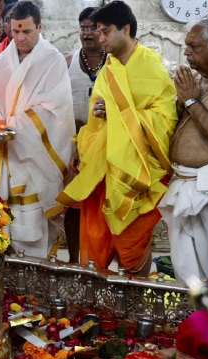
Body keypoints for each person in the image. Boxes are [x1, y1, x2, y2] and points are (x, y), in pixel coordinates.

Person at [58, 1, 177, 275]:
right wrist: (101, 115)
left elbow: (164, 122)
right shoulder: (109, 68)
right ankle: (102, 311)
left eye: (105, 31)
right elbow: (96, 122)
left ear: (126, 28)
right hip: (104, 172)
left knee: (131, 252)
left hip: (136, 177)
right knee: (96, 253)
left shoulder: (150, 66)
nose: (100, 38)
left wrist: (118, 114)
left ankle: (135, 306)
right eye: (97, 31)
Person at [0, 1, 74, 259]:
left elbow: (54, 112)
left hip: (35, 159)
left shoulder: (52, 61)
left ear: (39, 28)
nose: (20, 38)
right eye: (15, 32)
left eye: (27, 32)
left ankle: (34, 281)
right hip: (4, 156)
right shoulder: (2, 61)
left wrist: (13, 125)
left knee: (31, 232)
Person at [158, 18, 208, 283]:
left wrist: (190, 99)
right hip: (187, 183)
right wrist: (183, 102)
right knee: (187, 273)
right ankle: (194, 321)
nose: (187, 52)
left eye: (194, 47)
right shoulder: (203, 81)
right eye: (186, 46)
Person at [63, 6, 107, 264]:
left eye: (93, 28)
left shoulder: (114, 64)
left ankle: (98, 260)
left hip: (104, 142)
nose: (87, 34)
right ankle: (72, 258)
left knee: (101, 201)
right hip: (72, 142)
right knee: (72, 203)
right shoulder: (68, 62)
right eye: (84, 28)